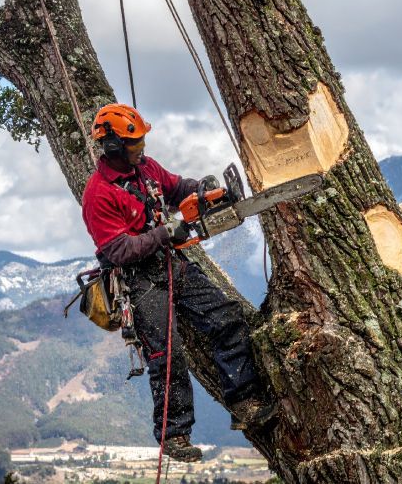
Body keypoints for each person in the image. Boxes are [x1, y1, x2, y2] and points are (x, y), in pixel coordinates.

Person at [81, 103, 276, 463]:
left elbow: (175, 188)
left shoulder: (147, 168)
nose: (141, 148)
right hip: (137, 280)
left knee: (228, 316)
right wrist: (166, 231)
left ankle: (244, 402)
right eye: (133, 142)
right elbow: (121, 250)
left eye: (140, 140)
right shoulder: (98, 194)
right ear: (112, 146)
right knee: (166, 354)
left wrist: (201, 190)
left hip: (171, 263)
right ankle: (174, 434)